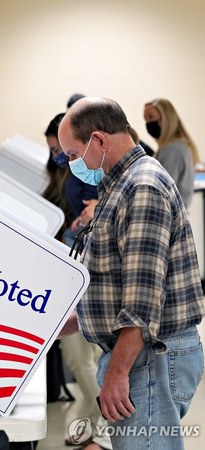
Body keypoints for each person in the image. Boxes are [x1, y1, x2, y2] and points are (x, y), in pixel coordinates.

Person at [58, 96, 205, 450]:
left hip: (149, 357)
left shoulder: (141, 187)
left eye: (74, 155)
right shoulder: (118, 185)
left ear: (100, 140)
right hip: (140, 354)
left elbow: (141, 303)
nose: (72, 164)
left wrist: (117, 374)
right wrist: (63, 324)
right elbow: (116, 284)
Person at [44, 113, 109, 447]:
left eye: (67, 152)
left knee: (79, 357)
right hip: (75, 260)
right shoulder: (79, 171)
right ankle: (100, 426)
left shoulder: (111, 178)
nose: (63, 159)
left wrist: (95, 208)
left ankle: (106, 428)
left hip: (84, 268)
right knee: (84, 357)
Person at [144, 98, 200, 209]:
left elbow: (161, 191)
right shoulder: (180, 145)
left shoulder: (171, 150)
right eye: (145, 119)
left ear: (166, 118)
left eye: (151, 117)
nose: (148, 123)